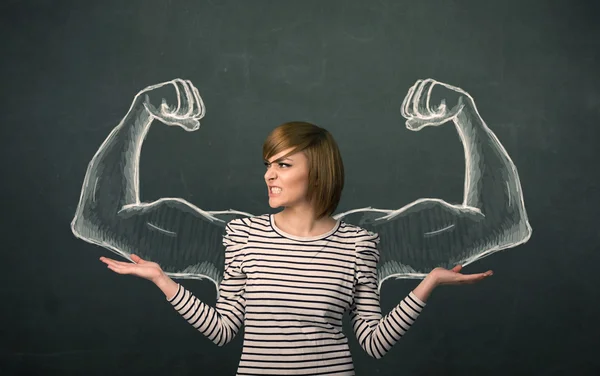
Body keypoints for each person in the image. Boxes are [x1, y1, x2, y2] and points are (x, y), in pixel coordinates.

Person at [99, 121, 493, 375]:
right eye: (268, 164)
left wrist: (429, 284)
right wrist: (161, 279)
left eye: (284, 165)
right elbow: (222, 331)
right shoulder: (243, 236)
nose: (269, 174)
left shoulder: (358, 244)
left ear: (317, 171)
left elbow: (374, 343)